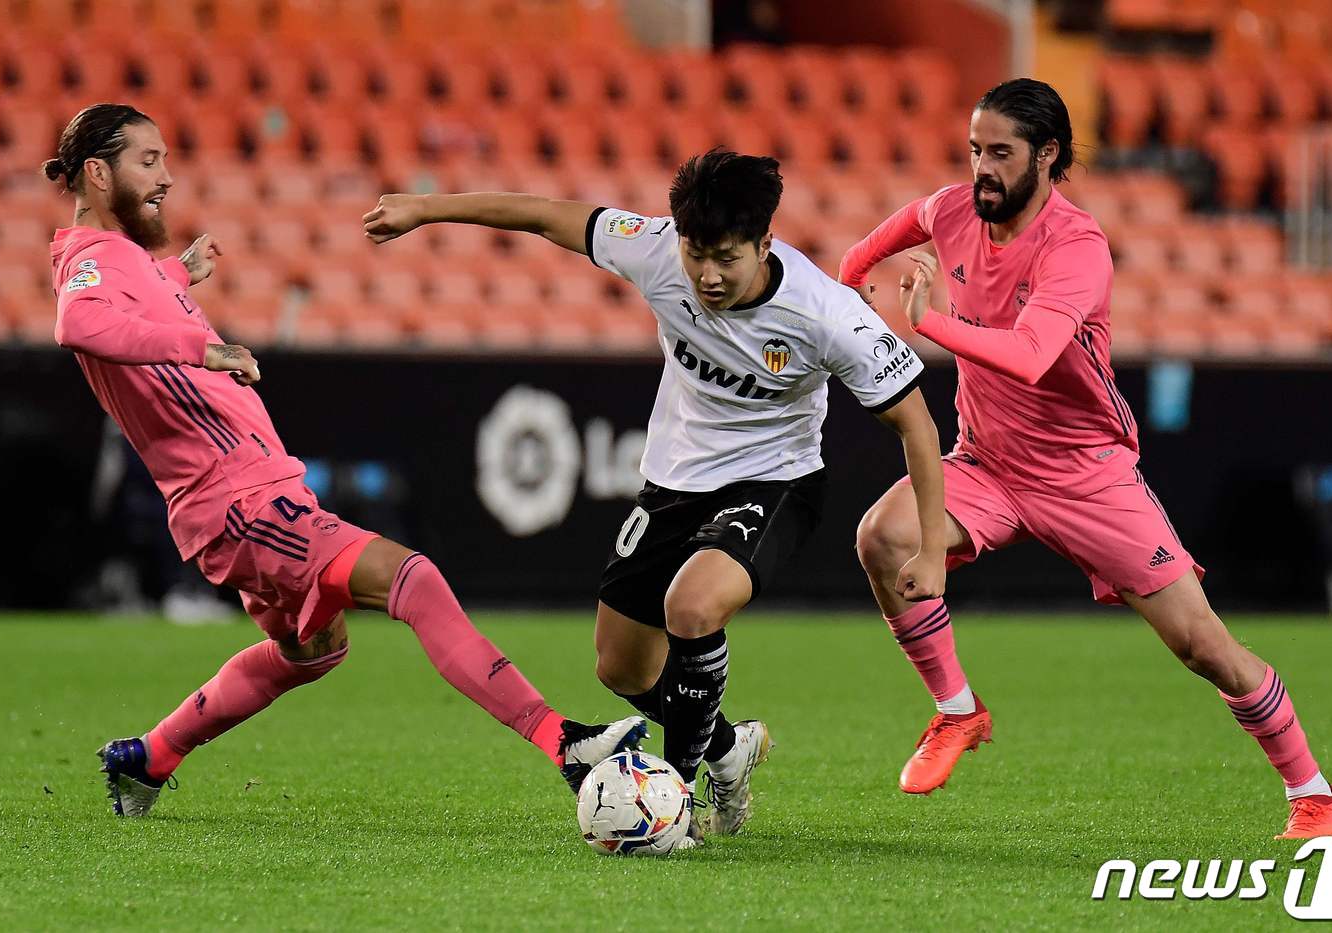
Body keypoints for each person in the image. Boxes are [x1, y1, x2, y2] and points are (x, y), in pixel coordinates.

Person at [46, 103, 646, 819]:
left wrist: (180, 274)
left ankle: (149, 756)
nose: (167, 177)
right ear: (97, 171)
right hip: (239, 502)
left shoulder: (130, 262)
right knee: (412, 579)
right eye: (149, 161)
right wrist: (198, 346)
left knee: (314, 650)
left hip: (245, 495)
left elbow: (136, 305)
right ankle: (565, 743)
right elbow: (77, 321)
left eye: (167, 159)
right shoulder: (89, 259)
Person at [363, 149, 949, 838]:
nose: (707, 274)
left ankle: (677, 801)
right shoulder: (657, 251)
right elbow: (545, 215)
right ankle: (731, 750)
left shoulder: (826, 315)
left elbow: (917, 423)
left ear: (765, 242)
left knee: (693, 607)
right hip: (673, 482)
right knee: (621, 666)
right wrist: (425, 209)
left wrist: (932, 549)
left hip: (776, 481)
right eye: (697, 253)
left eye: (727, 257)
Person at [839, 79, 1332, 839]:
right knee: (881, 535)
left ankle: (1313, 793)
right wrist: (847, 286)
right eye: (976, 149)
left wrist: (930, 323)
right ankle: (957, 711)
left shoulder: (1077, 247)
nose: (982, 168)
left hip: (1086, 476)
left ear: (1047, 156)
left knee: (1205, 647)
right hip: (986, 462)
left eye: (1001, 153)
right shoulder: (951, 209)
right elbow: (874, 242)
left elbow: (1033, 354)